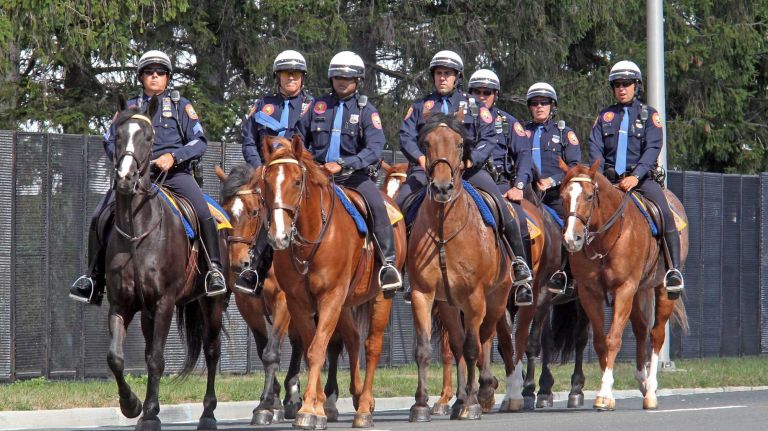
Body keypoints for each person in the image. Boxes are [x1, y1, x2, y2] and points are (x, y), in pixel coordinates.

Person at [69, 49, 227, 305]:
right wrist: (124, 162)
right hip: (135, 177)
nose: (155, 76)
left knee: (202, 211)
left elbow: (200, 141)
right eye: (149, 72)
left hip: (174, 175)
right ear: (141, 77)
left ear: (167, 77)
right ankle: (92, 279)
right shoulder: (128, 108)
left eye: (160, 72)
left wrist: (174, 157)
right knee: (100, 215)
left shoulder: (181, 105)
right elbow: (109, 140)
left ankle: (214, 270)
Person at [398, 50, 532, 298]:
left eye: (448, 74)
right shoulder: (419, 107)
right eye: (439, 73)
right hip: (425, 172)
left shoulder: (474, 107)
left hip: (468, 172)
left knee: (504, 208)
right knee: (398, 209)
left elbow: (489, 137)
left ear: (458, 77)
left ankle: (519, 264)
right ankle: (400, 271)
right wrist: (420, 158)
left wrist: (471, 160)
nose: (442, 78)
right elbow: (405, 136)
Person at [296, 50, 402, 293]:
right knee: (282, 205)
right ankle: (258, 266)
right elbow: (298, 138)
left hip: (353, 177)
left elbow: (375, 148)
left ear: (358, 80)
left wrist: (344, 163)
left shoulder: (367, 110)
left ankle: (388, 264)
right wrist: (308, 162)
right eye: (337, 76)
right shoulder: (317, 106)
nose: (342, 81)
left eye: (348, 77)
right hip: (317, 177)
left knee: (377, 206)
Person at [588, 60, 684, 294]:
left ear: (636, 86)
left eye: (627, 84)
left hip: (640, 181)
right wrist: (599, 176)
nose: (622, 88)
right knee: (581, 215)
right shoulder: (605, 116)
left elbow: (653, 148)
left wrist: (636, 175)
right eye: (617, 84)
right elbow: (594, 146)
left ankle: (673, 270)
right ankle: (572, 273)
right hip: (609, 181)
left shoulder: (650, 115)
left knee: (664, 212)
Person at [237, 50, 313, 294]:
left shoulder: (314, 107)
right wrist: (258, 166)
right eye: (285, 73)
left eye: (296, 74)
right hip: (267, 173)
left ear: (302, 77)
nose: (291, 78)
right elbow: (248, 139)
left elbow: (316, 143)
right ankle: (254, 270)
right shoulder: (262, 106)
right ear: (277, 76)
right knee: (247, 211)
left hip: (299, 176)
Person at [466, 69, 535, 306]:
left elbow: (524, 155)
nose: (482, 96)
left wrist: (519, 186)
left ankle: (522, 276)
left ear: (495, 95)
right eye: (477, 92)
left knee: (519, 220)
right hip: (467, 179)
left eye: (487, 92)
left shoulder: (508, 123)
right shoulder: (461, 117)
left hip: (501, 184)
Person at [524, 82, 581, 296]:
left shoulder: (565, 134)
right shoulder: (522, 133)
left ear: (552, 106)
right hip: (528, 195)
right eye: (535, 103)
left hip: (554, 196)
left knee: (570, 228)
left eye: (544, 103)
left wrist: (552, 181)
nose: (540, 107)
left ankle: (567, 273)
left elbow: (574, 167)